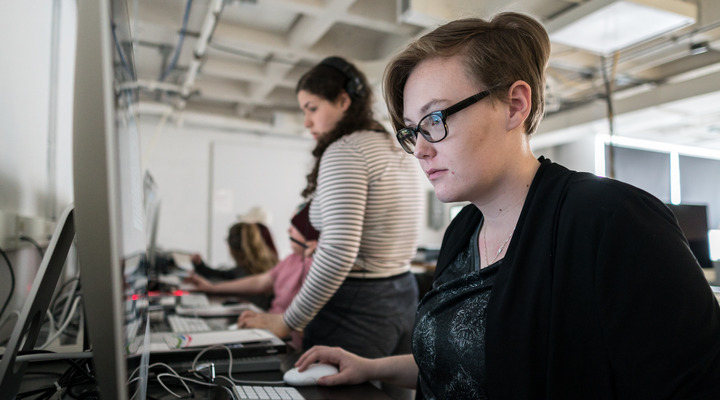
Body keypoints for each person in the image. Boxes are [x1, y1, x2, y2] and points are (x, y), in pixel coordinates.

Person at [291, 12, 720, 399]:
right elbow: (468, 359)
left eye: (434, 120)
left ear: (515, 105)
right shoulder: (462, 234)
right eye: (411, 132)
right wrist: (368, 367)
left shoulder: (611, 218)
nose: (419, 149)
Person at [238, 56, 423, 362]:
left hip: (358, 304)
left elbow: (339, 252)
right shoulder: (392, 146)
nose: (307, 121)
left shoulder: (345, 150)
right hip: (403, 292)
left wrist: (288, 321)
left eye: (312, 108)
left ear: (342, 101)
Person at [186, 205, 319, 349]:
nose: (288, 230)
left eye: (294, 225)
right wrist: (212, 288)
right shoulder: (291, 259)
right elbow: (260, 281)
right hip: (269, 332)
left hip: (288, 342)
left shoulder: (316, 265)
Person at [191, 221, 278, 309]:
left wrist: (211, 287)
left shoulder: (244, 273)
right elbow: (222, 276)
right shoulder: (271, 263)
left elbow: (223, 280)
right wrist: (200, 266)